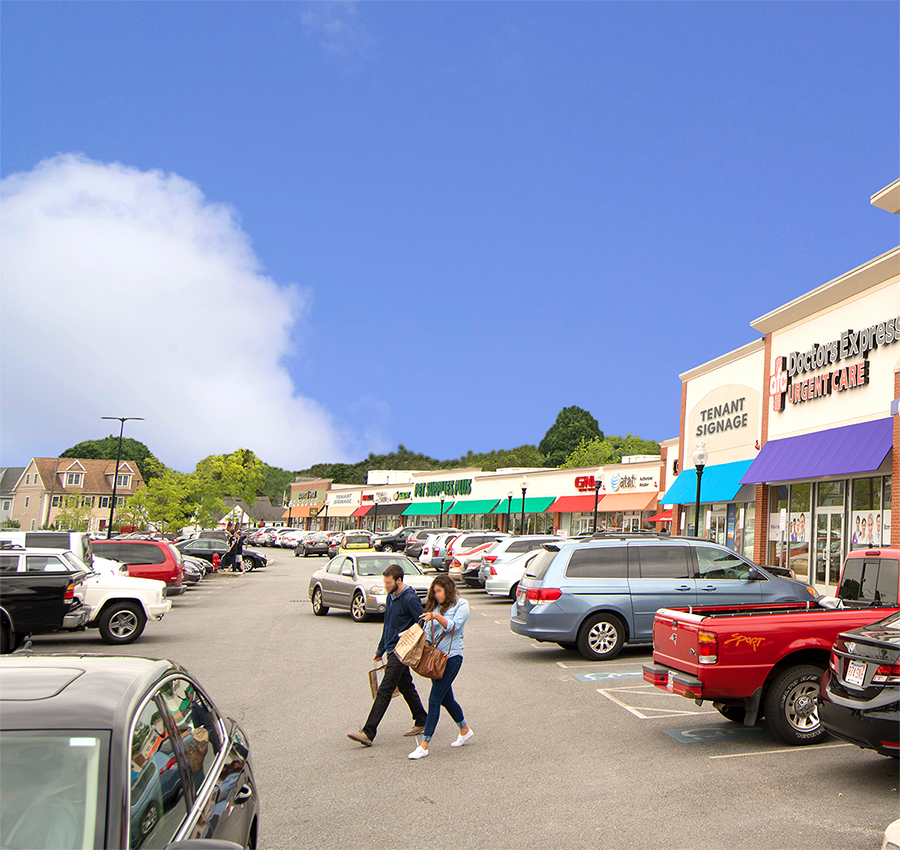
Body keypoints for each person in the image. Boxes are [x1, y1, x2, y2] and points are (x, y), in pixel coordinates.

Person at [348, 564, 427, 747]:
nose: (386, 585)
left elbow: (422, 622)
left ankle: (368, 732)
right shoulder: (391, 596)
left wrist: (407, 639)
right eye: (385, 582)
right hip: (391, 649)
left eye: (388, 582)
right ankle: (422, 719)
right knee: (405, 686)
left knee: (385, 689)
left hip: (402, 651)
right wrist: (380, 649)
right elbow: (388, 625)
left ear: (399, 580)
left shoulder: (409, 598)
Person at [408, 575, 473, 760]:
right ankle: (465, 729)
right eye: (434, 592)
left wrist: (436, 616)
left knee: (434, 699)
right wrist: (423, 648)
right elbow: (428, 632)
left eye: (439, 591)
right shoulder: (435, 607)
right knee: (446, 699)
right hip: (435, 660)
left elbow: (454, 627)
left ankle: (424, 744)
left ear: (448, 589)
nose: (436, 595)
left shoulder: (461, 605)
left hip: (452, 657)